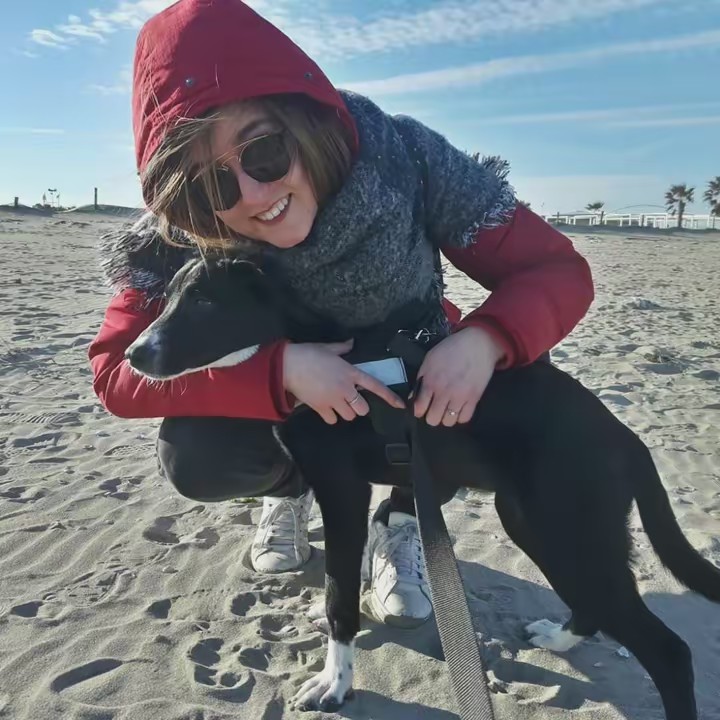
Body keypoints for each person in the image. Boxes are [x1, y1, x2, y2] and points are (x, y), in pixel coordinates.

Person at [88, 0, 594, 629]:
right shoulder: (180, 222)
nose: (254, 195)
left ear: (303, 120)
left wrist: (486, 341)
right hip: (295, 411)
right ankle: (290, 490)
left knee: (460, 410)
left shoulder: (405, 157)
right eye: (213, 184)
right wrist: (280, 373)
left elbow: (555, 272)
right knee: (195, 453)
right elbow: (115, 371)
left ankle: (402, 519)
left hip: (408, 376)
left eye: (264, 151)